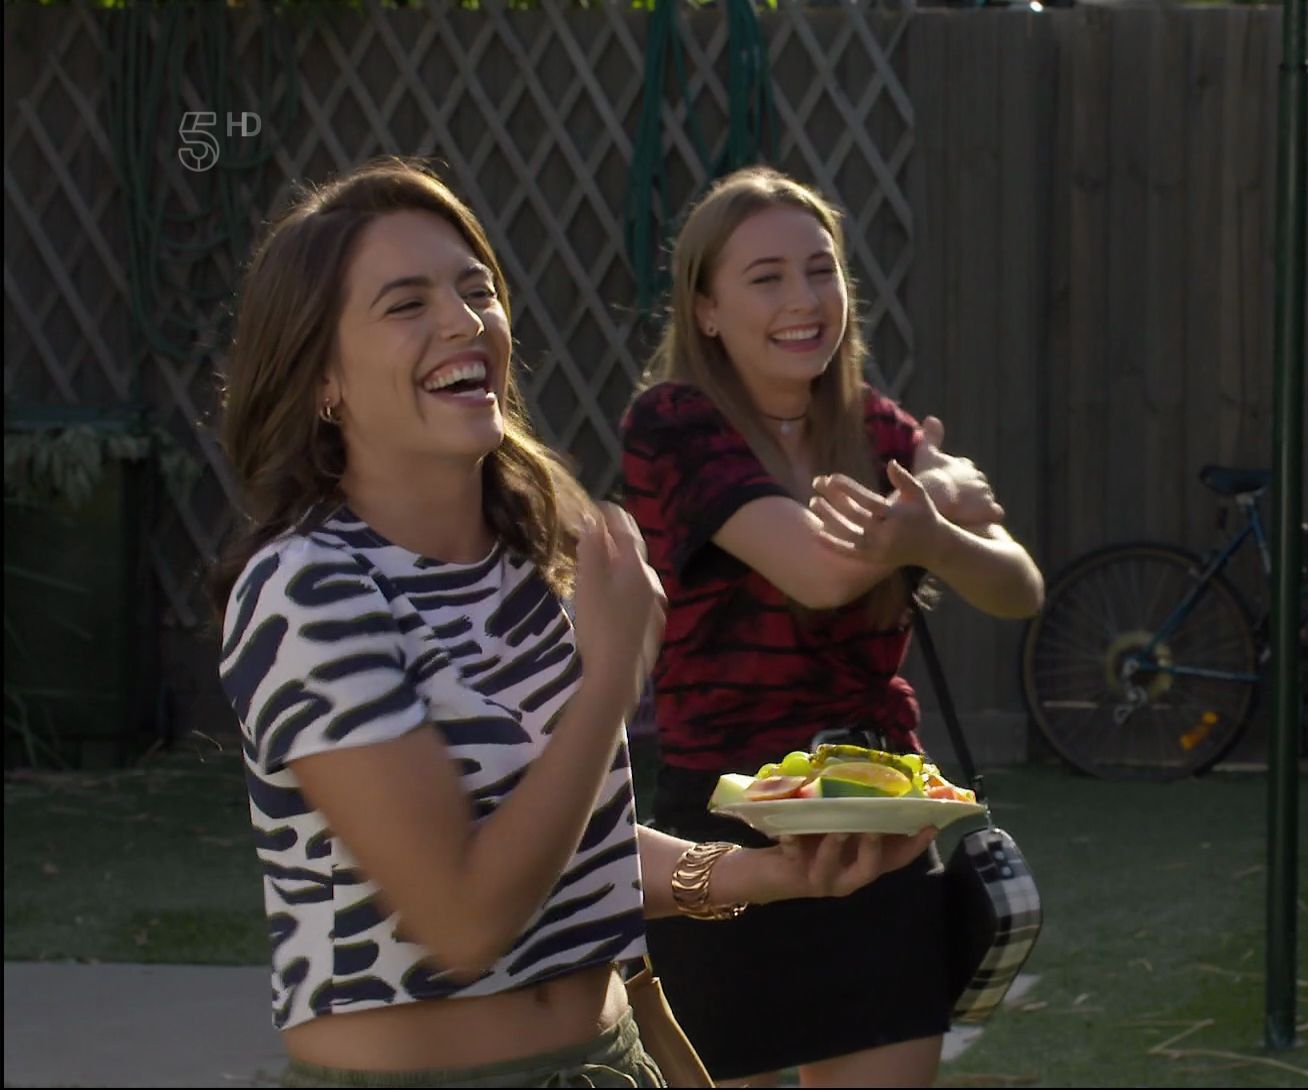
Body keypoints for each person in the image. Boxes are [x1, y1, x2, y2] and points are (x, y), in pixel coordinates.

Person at [211, 157, 937, 1088]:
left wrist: (766, 874)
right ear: (323, 381)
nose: (463, 321)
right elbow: (465, 921)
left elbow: (565, 837)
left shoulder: (527, 555)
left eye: (477, 289)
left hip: (606, 1061)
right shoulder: (307, 587)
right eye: (406, 304)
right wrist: (609, 680)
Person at [619, 165, 1046, 1088]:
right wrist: (933, 503)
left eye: (821, 270)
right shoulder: (673, 424)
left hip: (888, 821)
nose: (803, 299)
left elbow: (1019, 587)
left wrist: (936, 535)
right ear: (705, 310)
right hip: (728, 831)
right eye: (766, 277)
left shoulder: (877, 428)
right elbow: (814, 572)